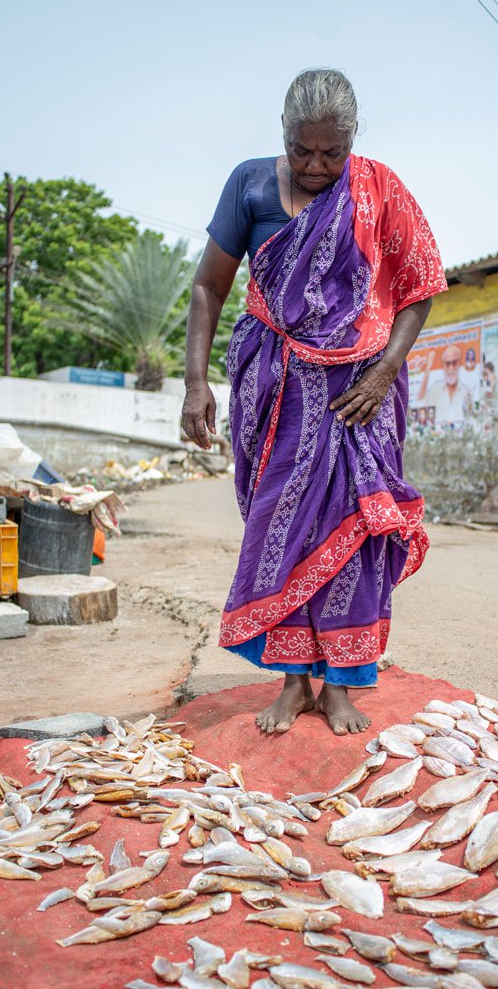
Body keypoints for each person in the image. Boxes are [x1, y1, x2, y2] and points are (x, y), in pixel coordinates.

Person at [182, 68, 447, 737]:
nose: (316, 166)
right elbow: (208, 287)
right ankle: (293, 681)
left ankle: (341, 685)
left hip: (360, 391)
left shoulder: (378, 189)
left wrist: (385, 371)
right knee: (281, 532)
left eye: (331, 152)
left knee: (356, 528)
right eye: (302, 150)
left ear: (352, 140)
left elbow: (420, 285)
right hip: (273, 388)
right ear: (283, 133)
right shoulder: (247, 183)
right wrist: (194, 381)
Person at [416, 344, 471, 424]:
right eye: (447, 364)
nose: (451, 368)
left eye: (454, 363)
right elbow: (420, 403)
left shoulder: (467, 392)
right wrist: (428, 368)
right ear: (443, 366)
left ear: (459, 363)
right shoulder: (436, 388)